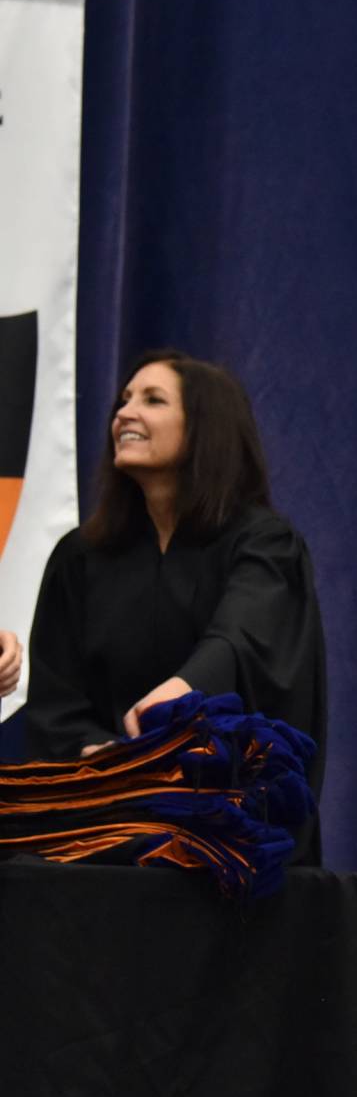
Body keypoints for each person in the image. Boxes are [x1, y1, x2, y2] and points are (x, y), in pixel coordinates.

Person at [19, 349, 326, 850]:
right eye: (123, 401)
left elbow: (243, 637)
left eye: (153, 400)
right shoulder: (81, 557)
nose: (124, 413)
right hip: (106, 824)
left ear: (205, 427)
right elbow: (57, 697)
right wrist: (95, 753)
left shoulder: (264, 544)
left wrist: (179, 697)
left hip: (227, 830)